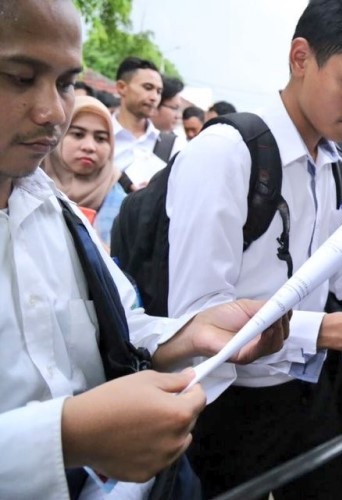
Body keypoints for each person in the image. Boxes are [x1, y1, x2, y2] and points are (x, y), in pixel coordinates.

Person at [0, 1, 291, 497]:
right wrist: (64, 438)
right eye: (20, 78)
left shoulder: (55, 212)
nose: (51, 111)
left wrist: (193, 334)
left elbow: (116, 326)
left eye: (66, 82)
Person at [163, 1, 342, 497]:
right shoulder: (226, 153)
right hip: (228, 403)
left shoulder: (335, 165)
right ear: (301, 57)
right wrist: (332, 330)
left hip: (306, 390)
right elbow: (198, 315)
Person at [42, 95, 126, 246]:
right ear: (57, 136)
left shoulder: (123, 205)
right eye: (78, 134)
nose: (89, 147)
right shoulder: (23, 187)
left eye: (100, 138)